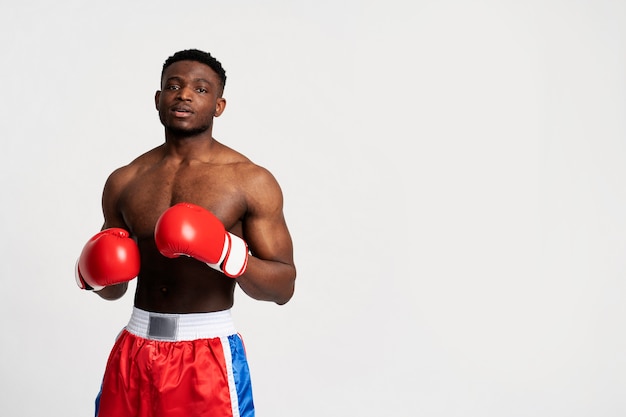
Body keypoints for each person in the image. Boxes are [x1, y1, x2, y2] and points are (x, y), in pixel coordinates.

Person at [75, 49, 297, 417]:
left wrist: (227, 252)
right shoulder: (124, 180)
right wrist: (92, 274)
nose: (184, 95)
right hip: (134, 348)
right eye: (173, 86)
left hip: (205, 353)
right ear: (158, 99)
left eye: (200, 89)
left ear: (218, 105)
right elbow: (113, 289)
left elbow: (283, 287)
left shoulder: (249, 180)